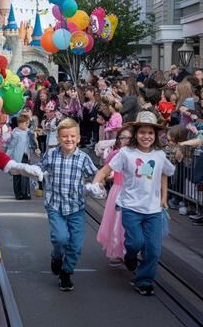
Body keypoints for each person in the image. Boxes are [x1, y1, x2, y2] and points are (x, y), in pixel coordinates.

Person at [92, 111, 174, 296]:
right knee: (135, 242)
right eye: (143, 132)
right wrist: (96, 182)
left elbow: (164, 173)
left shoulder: (160, 155)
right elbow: (105, 170)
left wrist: (163, 197)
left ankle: (144, 280)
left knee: (153, 249)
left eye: (150, 133)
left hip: (153, 210)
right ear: (136, 134)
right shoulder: (126, 153)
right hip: (130, 207)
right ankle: (130, 255)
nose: (146, 136)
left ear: (155, 136)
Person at [36, 118, 97, 292]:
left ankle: (66, 271)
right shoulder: (51, 154)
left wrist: (99, 184)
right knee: (60, 238)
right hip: (55, 205)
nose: (68, 139)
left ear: (78, 138)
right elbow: (39, 169)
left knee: (76, 245)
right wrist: (33, 172)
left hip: (76, 207)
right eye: (64, 136)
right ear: (58, 138)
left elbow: (95, 175)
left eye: (72, 136)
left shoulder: (83, 158)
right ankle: (56, 256)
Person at [96, 126, 133, 266]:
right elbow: (106, 170)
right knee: (117, 222)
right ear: (118, 140)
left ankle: (131, 250)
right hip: (118, 191)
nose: (126, 140)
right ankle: (117, 251)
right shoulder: (116, 154)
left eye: (129, 137)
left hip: (134, 192)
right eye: (122, 137)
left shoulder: (138, 154)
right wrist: (102, 180)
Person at [6, 113, 40, 200]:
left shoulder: (29, 132)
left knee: (26, 174)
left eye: (28, 123)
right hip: (17, 157)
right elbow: (11, 146)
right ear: (20, 123)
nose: (27, 125)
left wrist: (36, 149)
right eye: (25, 123)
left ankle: (26, 193)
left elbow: (33, 142)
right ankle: (18, 193)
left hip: (26, 156)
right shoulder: (15, 133)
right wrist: (6, 157)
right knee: (17, 175)